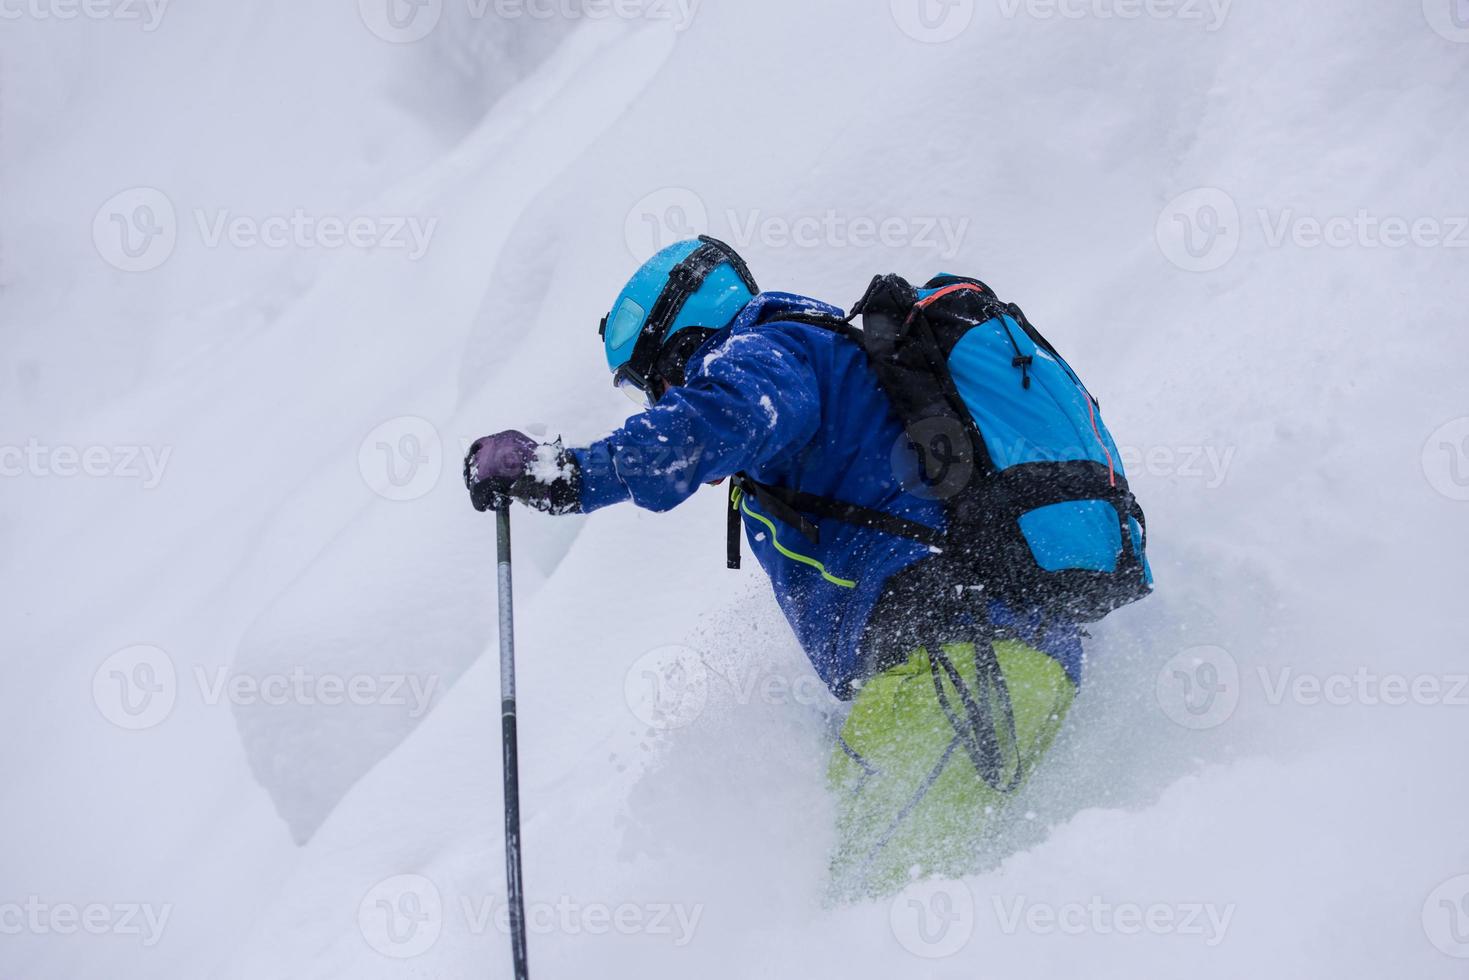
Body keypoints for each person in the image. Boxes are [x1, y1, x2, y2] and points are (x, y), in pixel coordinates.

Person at [465, 237, 1089, 898]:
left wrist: (563, 474)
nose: (662, 405)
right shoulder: (823, 360)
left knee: (857, 916)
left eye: (657, 387)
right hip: (987, 665)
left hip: (955, 669)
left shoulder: (768, 350)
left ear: (682, 346)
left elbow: (709, 424)